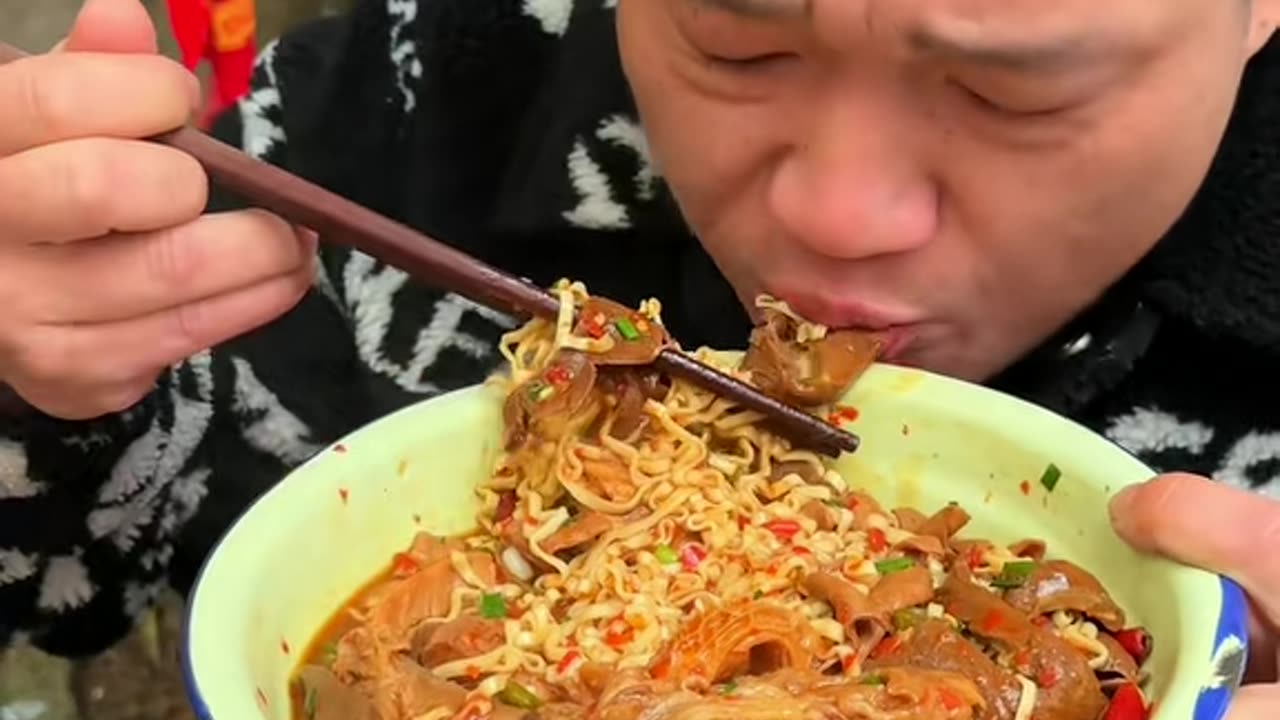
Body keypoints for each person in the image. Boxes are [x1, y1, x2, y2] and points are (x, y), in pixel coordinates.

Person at [0, 0, 1276, 712]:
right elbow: (78, 602)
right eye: (737, 44)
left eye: (1014, 95)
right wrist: (35, 379)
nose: (837, 213)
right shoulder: (359, 130)